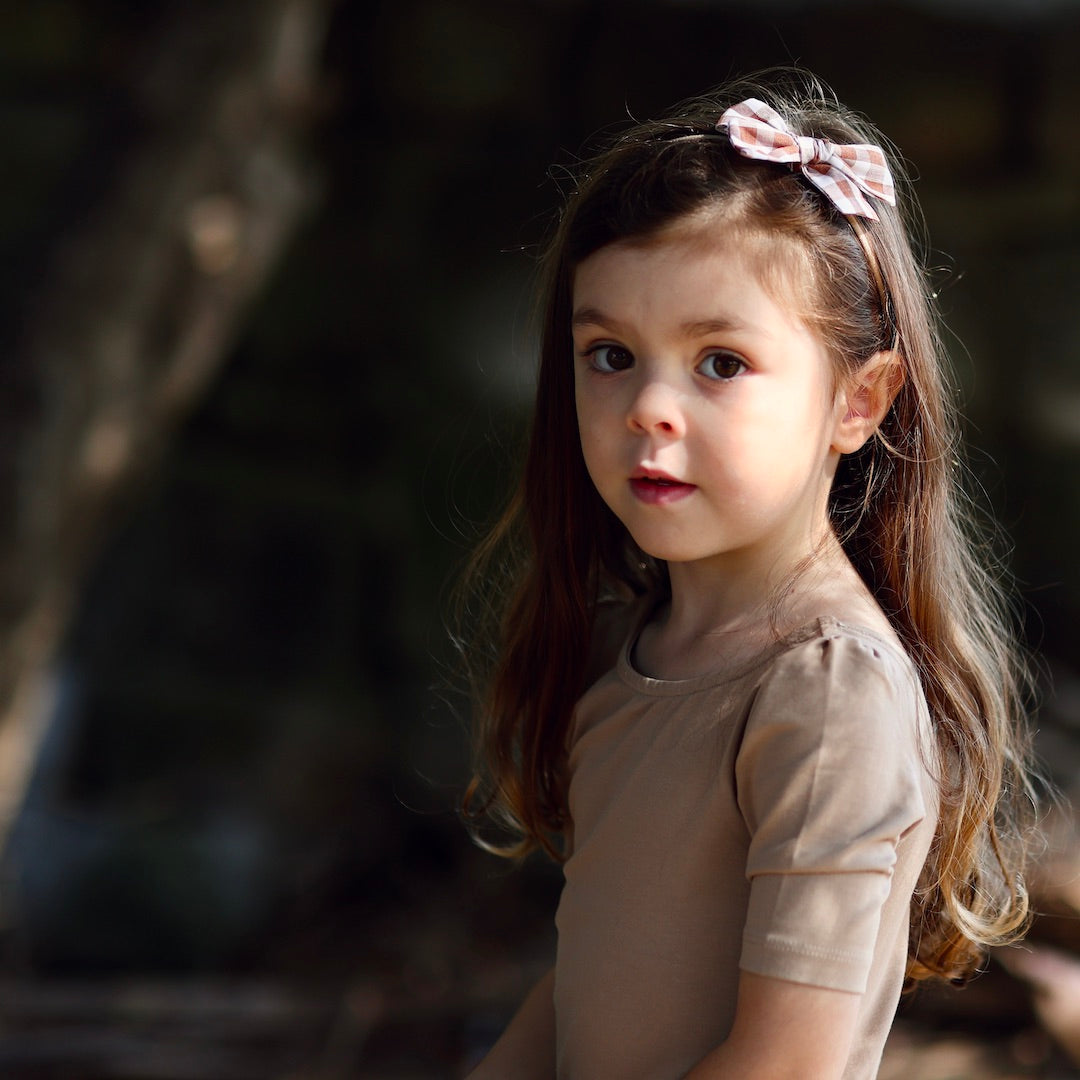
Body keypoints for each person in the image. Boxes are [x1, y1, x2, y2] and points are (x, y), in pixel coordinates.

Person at [455, 68, 1037, 1079]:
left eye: (720, 361)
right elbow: (585, 978)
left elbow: (786, 1065)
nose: (648, 408)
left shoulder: (826, 690)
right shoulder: (639, 646)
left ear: (858, 401)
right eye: (609, 354)